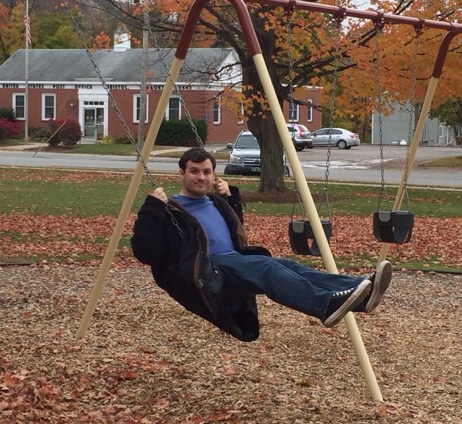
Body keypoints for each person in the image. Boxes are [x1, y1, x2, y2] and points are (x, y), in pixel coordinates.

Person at [131, 147, 392, 342]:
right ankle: (325, 305)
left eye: (206, 172)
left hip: (234, 258)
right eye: (194, 171)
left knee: (290, 266)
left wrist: (231, 199)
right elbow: (146, 252)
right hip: (210, 270)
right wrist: (152, 208)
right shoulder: (171, 209)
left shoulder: (217, 202)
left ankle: (359, 293)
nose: (201, 177)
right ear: (182, 173)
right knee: (269, 271)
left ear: (213, 175)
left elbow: (235, 233)